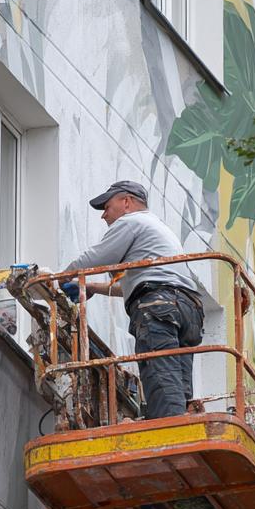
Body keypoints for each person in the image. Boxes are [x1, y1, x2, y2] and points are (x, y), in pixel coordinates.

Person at [59, 180, 204, 419]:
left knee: (161, 378)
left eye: (107, 206)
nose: (103, 215)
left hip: (159, 305)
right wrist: (93, 287)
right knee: (177, 381)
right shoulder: (157, 229)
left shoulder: (131, 221)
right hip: (187, 309)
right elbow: (138, 283)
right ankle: (183, 423)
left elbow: (97, 257)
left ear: (126, 202)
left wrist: (60, 278)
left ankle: (168, 431)